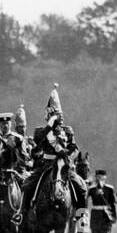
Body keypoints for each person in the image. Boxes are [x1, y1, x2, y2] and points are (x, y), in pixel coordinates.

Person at [21, 87, 88, 221]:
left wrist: (67, 157)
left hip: (63, 166)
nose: (58, 118)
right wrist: (49, 126)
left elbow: (75, 149)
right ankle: (23, 214)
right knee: (27, 185)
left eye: (58, 115)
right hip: (45, 166)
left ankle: (81, 218)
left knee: (82, 188)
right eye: (54, 115)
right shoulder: (41, 130)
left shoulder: (67, 130)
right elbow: (37, 140)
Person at [87, 169, 117, 233]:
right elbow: (85, 199)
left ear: (105, 178)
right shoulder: (92, 189)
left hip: (106, 215)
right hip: (95, 214)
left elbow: (113, 203)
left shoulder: (109, 188)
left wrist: (114, 215)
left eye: (102, 177)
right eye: (98, 177)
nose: (100, 179)